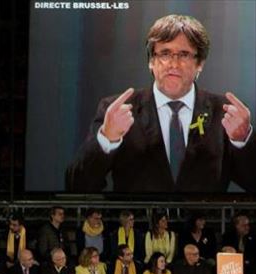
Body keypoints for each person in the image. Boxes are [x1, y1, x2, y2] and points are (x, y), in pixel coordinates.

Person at [66, 14, 256, 193]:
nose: (173, 64)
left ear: (200, 63)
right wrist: (107, 139)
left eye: (184, 54)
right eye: (165, 53)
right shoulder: (116, 110)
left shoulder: (225, 113)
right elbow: (76, 185)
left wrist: (242, 141)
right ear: (151, 61)